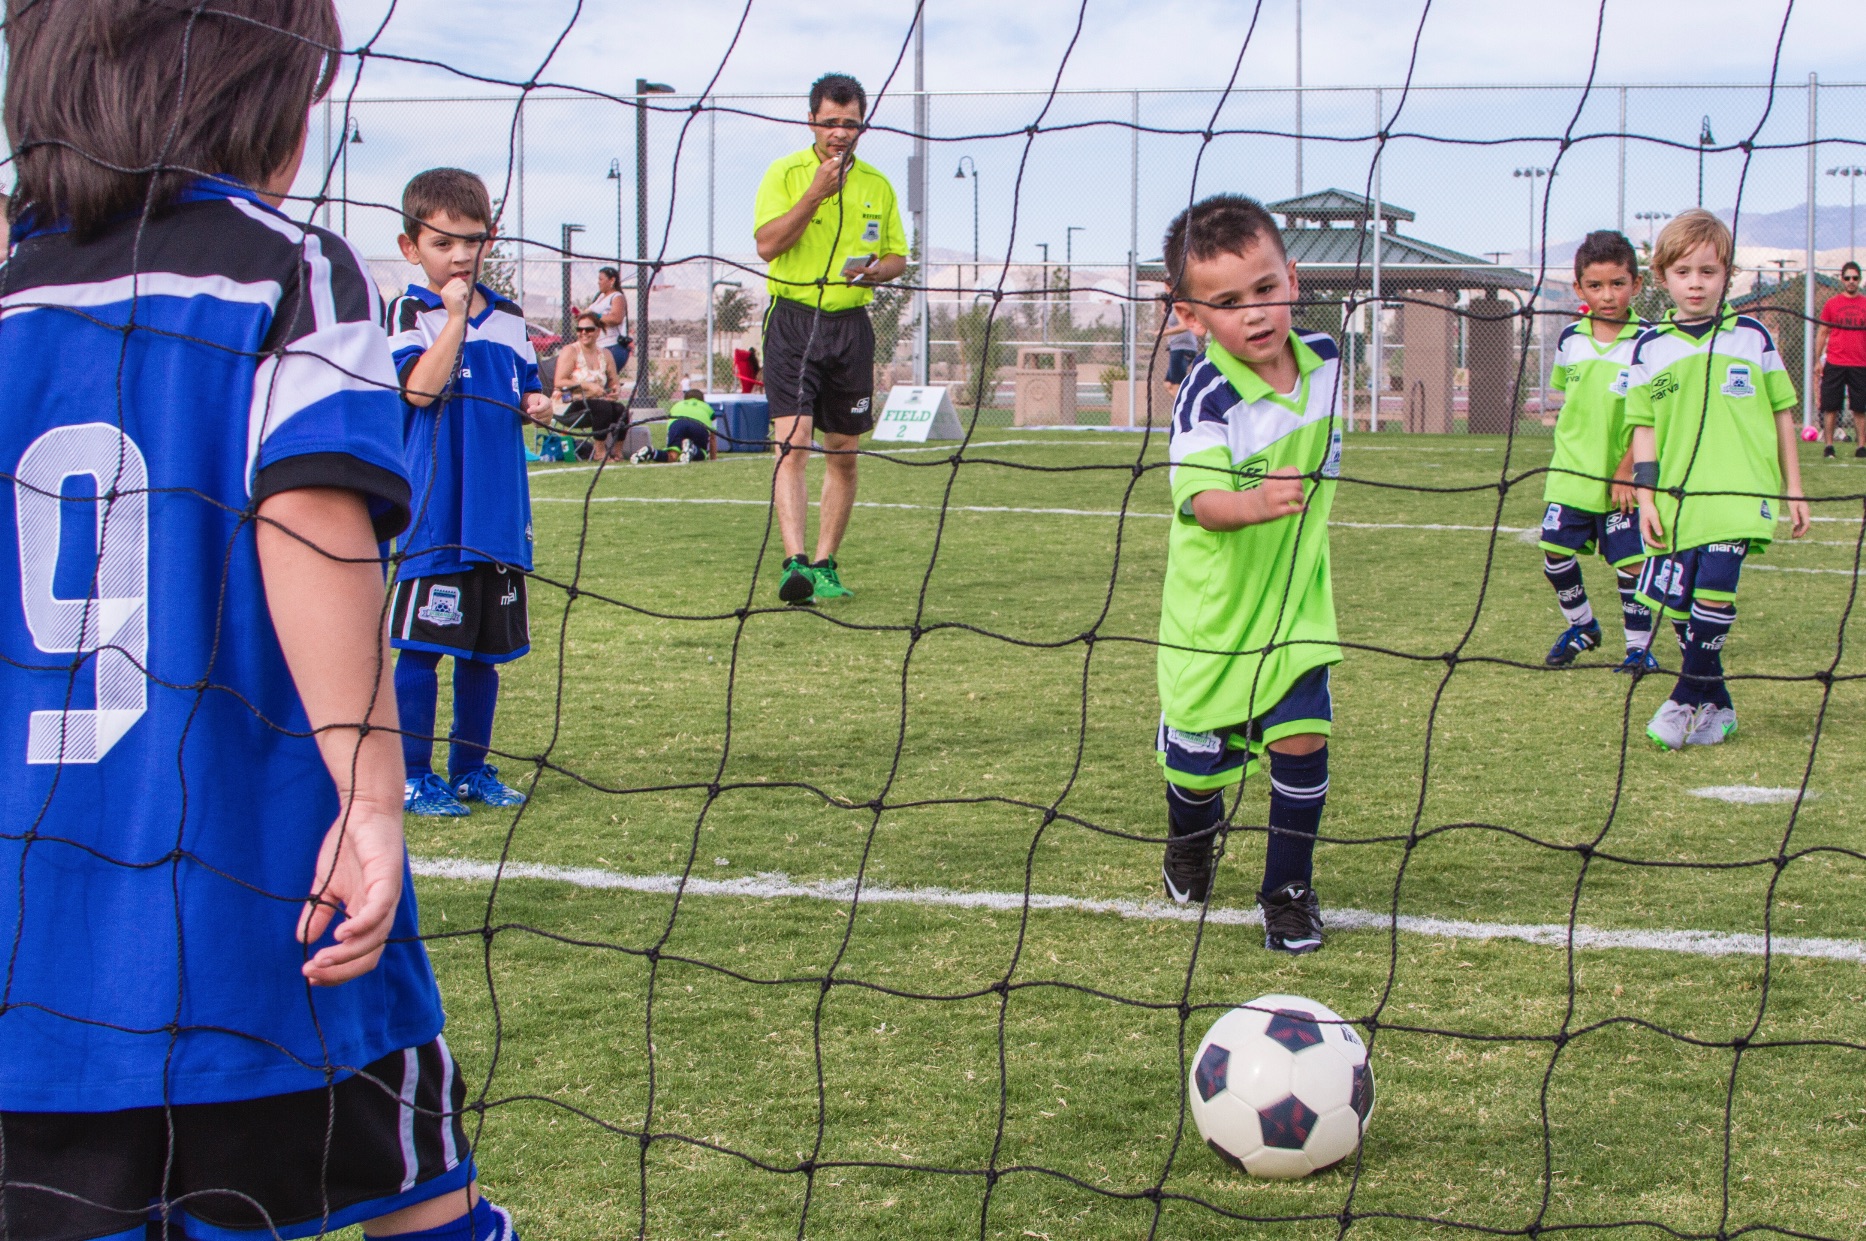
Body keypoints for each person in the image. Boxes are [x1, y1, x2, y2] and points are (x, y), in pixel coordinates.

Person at [0, 3, 518, 1239]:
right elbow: (312, 525)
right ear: (256, 100)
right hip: (257, 907)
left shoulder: (10, 296)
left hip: (30, 934)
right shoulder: (280, 265)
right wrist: (372, 796)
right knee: (420, 1202)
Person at [1154, 194, 1343, 954]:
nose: (1255, 314)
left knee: (1302, 739)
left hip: (1297, 609)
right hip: (1213, 622)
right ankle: (1188, 840)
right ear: (1192, 318)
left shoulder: (1327, 362)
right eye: (1227, 304)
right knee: (1199, 773)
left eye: (1265, 289)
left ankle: (1287, 891)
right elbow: (1198, 502)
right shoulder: (1209, 394)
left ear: (1292, 278)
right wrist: (1256, 500)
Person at [389, 168, 553, 816]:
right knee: (424, 648)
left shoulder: (510, 317)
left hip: (498, 514)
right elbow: (419, 391)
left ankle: (469, 769)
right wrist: (454, 319)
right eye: (442, 242)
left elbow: (523, 390)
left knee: (485, 653)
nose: (459, 255)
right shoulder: (410, 312)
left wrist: (536, 402)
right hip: (436, 513)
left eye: (472, 241)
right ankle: (409, 774)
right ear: (411, 248)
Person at [1629, 209, 1809, 750]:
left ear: (1726, 275)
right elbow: (1644, 429)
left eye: (1708, 272)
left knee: (1715, 586)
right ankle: (1719, 707)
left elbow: (1782, 415)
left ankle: (1682, 697)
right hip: (1679, 496)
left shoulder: (1753, 337)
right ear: (1663, 278)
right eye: (1684, 272)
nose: (1696, 283)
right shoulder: (1650, 348)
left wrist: (1794, 487)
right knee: (1681, 611)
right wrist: (1646, 496)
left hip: (1740, 489)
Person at [752, 72, 908, 606]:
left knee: (843, 453)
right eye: (830, 123)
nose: (840, 133)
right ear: (811, 121)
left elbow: (897, 257)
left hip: (851, 327)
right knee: (791, 441)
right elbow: (767, 245)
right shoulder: (785, 173)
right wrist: (816, 193)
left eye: (850, 123)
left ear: (861, 124)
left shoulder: (878, 185)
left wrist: (874, 273)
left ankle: (824, 563)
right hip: (795, 319)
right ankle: (793, 562)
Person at [1537, 230, 1656, 672]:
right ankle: (1583, 626)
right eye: (1596, 286)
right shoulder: (1571, 338)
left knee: (1630, 565)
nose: (1608, 295)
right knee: (1554, 551)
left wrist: (1629, 468)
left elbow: (1655, 415)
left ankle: (1639, 648)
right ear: (1580, 288)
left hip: (1622, 476)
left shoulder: (1650, 340)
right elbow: (1570, 401)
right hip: (1572, 470)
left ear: (1636, 284)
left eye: (1618, 284)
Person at [554, 311, 627, 462]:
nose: (584, 333)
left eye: (589, 329)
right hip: (569, 402)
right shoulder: (571, 351)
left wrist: (615, 390)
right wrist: (586, 386)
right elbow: (559, 382)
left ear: (598, 331)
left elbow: (614, 381)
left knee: (621, 410)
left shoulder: (605, 354)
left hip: (595, 403)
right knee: (602, 407)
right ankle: (599, 452)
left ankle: (617, 452)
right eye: (580, 330)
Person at [1814, 259, 1866, 458]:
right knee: (1831, 406)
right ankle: (1829, 446)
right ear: (1842, 280)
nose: (1851, 281)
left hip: (1860, 363)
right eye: (1847, 278)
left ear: (1859, 279)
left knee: (1860, 408)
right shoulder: (1832, 304)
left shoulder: (1864, 303)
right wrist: (1817, 360)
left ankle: (1861, 447)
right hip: (1835, 361)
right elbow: (1822, 332)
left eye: (1854, 278)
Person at [631, 389, 717, 464]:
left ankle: (652, 452)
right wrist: (713, 458)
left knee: (672, 456)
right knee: (702, 453)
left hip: (677, 424)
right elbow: (712, 437)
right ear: (702, 400)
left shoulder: (677, 405)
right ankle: (693, 448)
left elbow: (670, 425)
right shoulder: (707, 407)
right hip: (698, 425)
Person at [588, 265, 633, 377]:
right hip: (597, 345)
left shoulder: (617, 297)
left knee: (602, 380)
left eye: (601, 279)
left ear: (612, 280)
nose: (598, 282)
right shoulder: (600, 297)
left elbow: (616, 318)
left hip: (611, 346)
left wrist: (595, 316)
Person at [1162, 302, 1203, 397]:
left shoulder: (1178, 305)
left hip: (1183, 348)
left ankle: (1187, 407)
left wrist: (1162, 333)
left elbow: (1184, 326)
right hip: (1175, 347)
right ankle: (1190, 402)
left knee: (1176, 385)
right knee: (1168, 384)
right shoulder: (1170, 308)